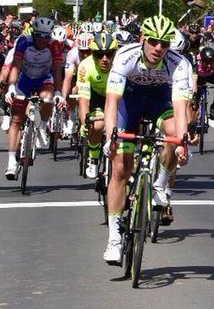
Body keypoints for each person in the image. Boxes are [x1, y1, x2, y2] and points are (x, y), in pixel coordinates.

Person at [102, 15, 192, 265]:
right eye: (153, 42)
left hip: (159, 100)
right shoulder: (125, 56)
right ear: (143, 39)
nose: (158, 49)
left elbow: (181, 106)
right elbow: (112, 102)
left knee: (173, 136)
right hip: (128, 103)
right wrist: (111, 137)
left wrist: (182, 141)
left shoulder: (179, 64)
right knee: (120, 168)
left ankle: (160, 185)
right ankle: (114, 239)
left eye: (164, 44)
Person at [1, 16, 64, 180]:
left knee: (48, 98)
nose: (43, 40)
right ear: (33, 34)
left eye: (46, 36)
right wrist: (12, 87)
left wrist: (59, 92)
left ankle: (43, 125)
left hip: (44, 77)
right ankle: (11, 162)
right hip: (25, 78)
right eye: (39, 36)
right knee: (16, 119)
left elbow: (57, 71)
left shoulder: (54, 45)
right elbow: (15, 66)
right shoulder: (23, 42)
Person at [75, 32, 118, 179]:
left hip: (118, 97)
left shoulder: (121, 65)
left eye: (109, 54)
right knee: (98, 125)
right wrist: (84, 124)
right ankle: (93, 158)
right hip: (96, 97)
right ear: (93, 55)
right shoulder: (85, 66)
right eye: (100, 55)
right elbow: (83, 100)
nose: (105, 59)